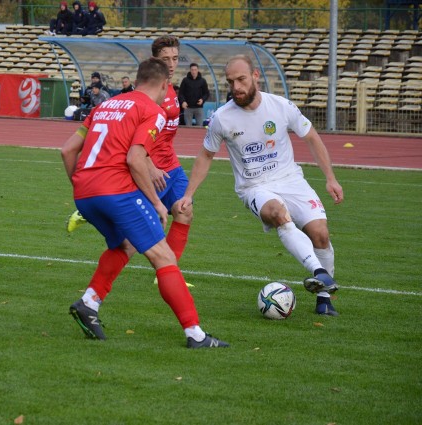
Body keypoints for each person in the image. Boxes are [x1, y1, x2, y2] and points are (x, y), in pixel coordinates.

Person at [61, 57, 228, 349]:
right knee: (163, 256)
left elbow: (67, 150)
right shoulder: (152, 110)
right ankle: (195, 334)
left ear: (137, 80)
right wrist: (157, 203)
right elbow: (135, 158)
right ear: (164, 85)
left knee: (124, 245)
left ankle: (89, 302)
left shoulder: (104, 105)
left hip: (84, 193)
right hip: (116, 192)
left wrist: (81, 185)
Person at [177, 54, 343, 316]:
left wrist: (330, 177)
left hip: (291, 180)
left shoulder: (281, 106)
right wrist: (189, 194)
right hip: (254, 187)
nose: (236, 87)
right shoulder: (222, 118)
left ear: (255, 76)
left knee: (320, 234)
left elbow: (311, 137)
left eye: (241, 79)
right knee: (278, 214)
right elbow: (205, 156)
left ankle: (324, 299)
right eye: (231, 82)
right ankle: (319, 272)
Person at [68, 36, 195, 289]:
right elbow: (131, 143)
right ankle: (86, 213)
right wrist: (149, 166)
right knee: (134, 238)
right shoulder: (147, 95)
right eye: (166, 59)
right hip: (149, 168)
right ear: (154, 61)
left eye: (175, 58)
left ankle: (166, 274)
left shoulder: (171, 91)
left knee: (185, 211)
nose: (171, 64)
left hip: (171, 165)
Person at [178, 62, 209, 127]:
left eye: (195, 70)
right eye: (192, 70)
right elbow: (180, 93)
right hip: (188, 108)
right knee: (188, 127)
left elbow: (206, 93)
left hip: (199, 108)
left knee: (199, 127)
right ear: (190, 70)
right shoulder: (185, 80)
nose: (194, 71)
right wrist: (183, 101)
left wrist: (202, 100)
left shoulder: (202, 81)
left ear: (198, 70)